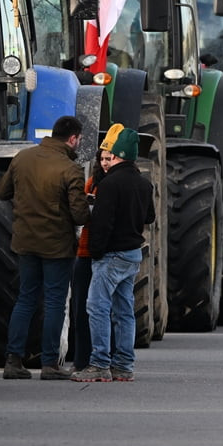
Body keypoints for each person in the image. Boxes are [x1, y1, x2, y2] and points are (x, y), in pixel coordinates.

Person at [0, 115, 90, 380]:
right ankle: (49, 364)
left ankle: (13, 360)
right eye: (79, 140)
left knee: (25, 298)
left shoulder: (22, 158)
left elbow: (2, 193)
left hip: (25, 242)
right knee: (54, 303)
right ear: (72, 138)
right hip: (57, 247)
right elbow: (80, 214)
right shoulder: (70, 169)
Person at [72, 124, 154, 383]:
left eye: (109, 154)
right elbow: (149, 216)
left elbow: (103, 224)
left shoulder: (108, 185)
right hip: (132, 254)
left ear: (118, 154)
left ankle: (99, 364)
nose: (106, 158)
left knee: (96, 307)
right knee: (124, 311)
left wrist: (95, 251)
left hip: (110, 256)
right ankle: (124, 366)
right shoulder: (143, 184)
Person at [71, 147, 112, 372]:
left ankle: (107, 357)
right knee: (81, 308)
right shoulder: (91, 183)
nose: (105, 163)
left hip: (107, 253)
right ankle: (81, 359)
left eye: (109, 158)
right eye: (102, 159)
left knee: (105, 308)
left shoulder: (116, 184)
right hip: (86, 251)